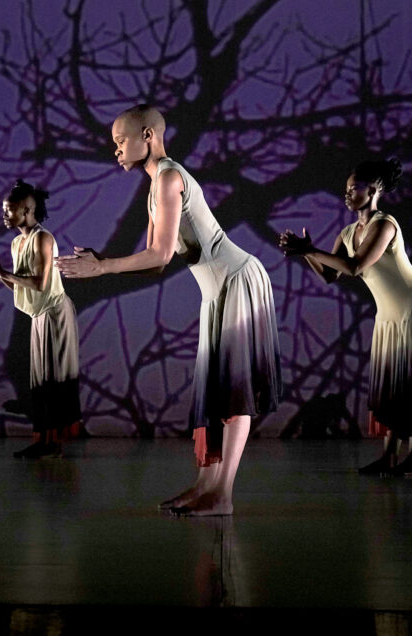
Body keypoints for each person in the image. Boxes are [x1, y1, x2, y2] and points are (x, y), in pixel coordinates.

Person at [55, 105, 281, 515]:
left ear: (147, 135)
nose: (117, 151)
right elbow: (156, 259)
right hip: (218, 290)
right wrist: (102, 261)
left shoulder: (169, 178)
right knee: (216, 390)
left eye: (121, 142)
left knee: (233, 391)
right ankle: (205, 486)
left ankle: (222, 495)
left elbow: (158, 253)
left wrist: (102, 266)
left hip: (236, 281)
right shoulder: (157, 184)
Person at [279, 158, 412, 476]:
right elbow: (331, 276)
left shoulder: (385, 224)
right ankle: (389, 457)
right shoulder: (346, 232)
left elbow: (356, 267)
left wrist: (311, 251)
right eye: (345, 189)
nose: (347, 194)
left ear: (374, 190)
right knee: (393, 387)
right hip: (388, 313)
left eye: (353, 188)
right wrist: (307, 252)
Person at [0, 180, 82, 458]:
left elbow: (40, 283)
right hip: (40, 315)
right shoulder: (17, 242)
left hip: (55, 314)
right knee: (41, 380)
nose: (4, 216)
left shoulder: (43, 238)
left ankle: (52, 442)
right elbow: (21, 286)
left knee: (52, 380)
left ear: (26, 210)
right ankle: (44, 441)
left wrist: (3, 273)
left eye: (9, 210)